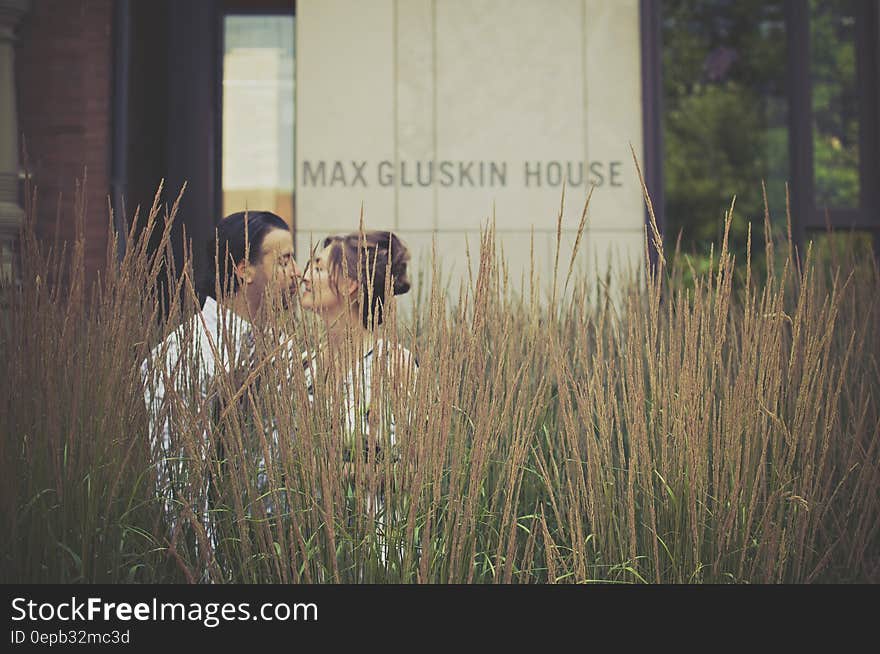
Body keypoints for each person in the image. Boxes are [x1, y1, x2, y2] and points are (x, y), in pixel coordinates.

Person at [140, 210, 300, 582]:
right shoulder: (185, 353)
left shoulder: (283, 349)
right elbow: (179, 487)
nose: (298, 274)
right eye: (285, 261)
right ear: (244, 269)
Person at [298, 230, 418, 570]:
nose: (305, 276)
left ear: (351, 284)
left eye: (319, 269)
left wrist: (334, 472)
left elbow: (419, 472)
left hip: (378, 555)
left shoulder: (394, 365)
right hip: (312, 556)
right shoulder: (303, 366)